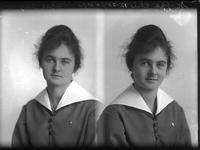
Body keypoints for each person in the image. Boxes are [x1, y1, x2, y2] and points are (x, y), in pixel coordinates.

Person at [97, 24, 191, 147]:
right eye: (145, 63)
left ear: (167, 66)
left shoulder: (176, 111)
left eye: (160, 64)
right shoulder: (114, 115)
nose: (153, 71)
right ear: (132, 64)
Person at [12, 25, 100, 147]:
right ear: (41, 62)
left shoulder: (93, 110)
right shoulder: (29, 110)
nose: (57, 68)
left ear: (75, 65)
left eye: (65, 61)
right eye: (50, 60)